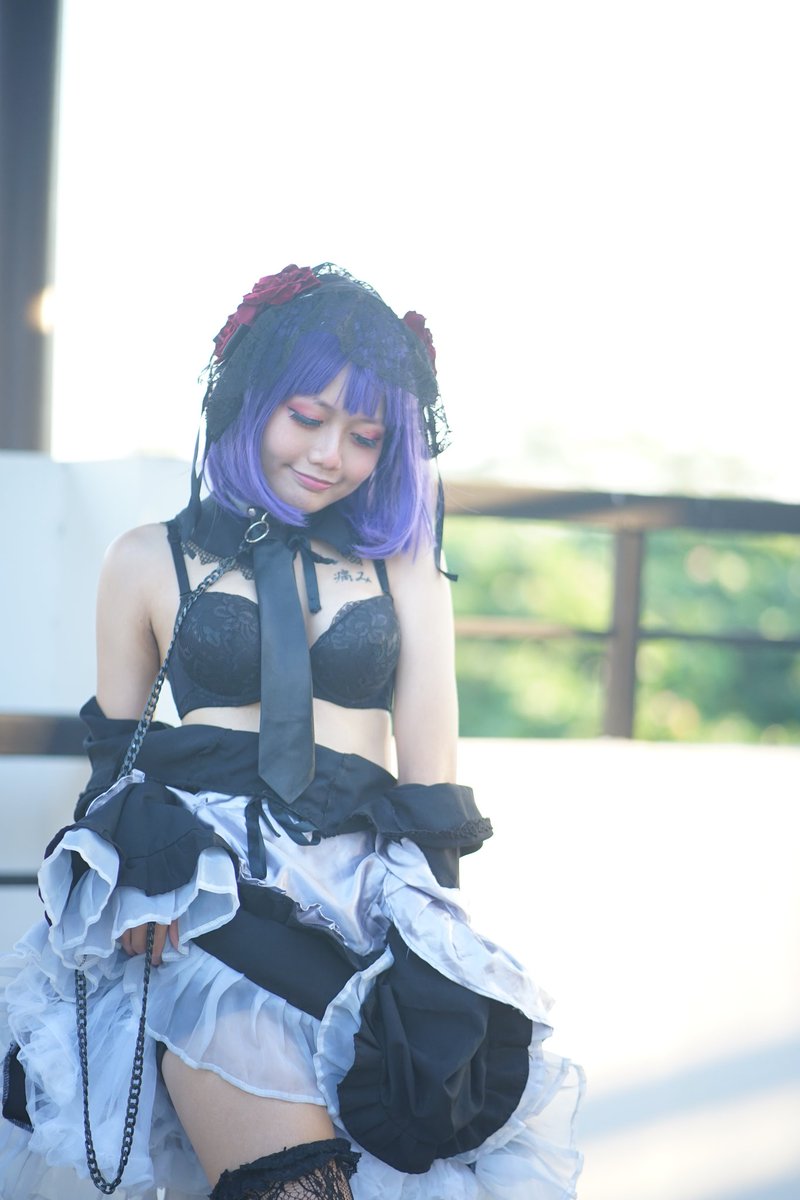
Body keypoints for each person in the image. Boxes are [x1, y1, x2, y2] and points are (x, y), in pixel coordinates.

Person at [0, 264, 583, 1199]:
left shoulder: (405, 567)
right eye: (307, 417)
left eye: (364, 436)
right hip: (211, 902)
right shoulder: (144, 558)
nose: (330, 455)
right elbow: (117, 763)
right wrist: (139, 880)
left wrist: (437, 958)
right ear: (247, 399)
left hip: (364, 903)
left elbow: (431, 773)